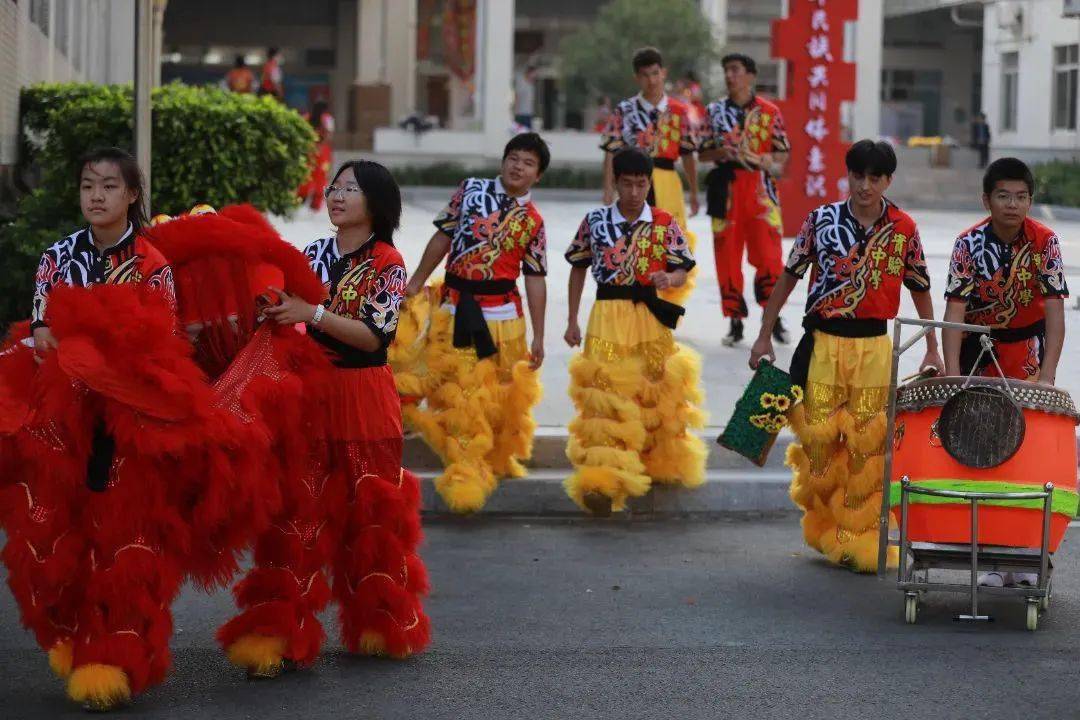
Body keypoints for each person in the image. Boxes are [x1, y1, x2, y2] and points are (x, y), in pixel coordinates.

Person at [0, 149, 259, 711]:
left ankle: (114, 654)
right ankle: (75, 637)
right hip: (64, 424)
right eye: (88, 185)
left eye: (109, 186)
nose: (96, 195)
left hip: (134, 426)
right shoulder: (58, 257)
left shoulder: (152, 264)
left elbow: (162, 351)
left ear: (133, 196)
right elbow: (42, 330)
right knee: (53, 540)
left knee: (125, 543)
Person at [219, 160, 431, 676]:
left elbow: (375, 336)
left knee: (370, 514)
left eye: (349, 189)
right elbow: (285, 310)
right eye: (334, 187)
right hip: (309, 395)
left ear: (375, 204)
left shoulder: (388, 261)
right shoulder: (311, 254)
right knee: (296, 512)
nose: (336, 195)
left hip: (363, 397)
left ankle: (377, 622)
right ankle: (278, 630)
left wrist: (309, 314)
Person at [750, 140, 944, 573]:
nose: (865, 185)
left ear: (888, 181)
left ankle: (861, 536)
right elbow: (788, 277)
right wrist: (764, 335)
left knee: (868, 448)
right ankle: (826, 528)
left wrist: (932, 345)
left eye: (875, 177)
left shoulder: (904, 229)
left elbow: (920, 286)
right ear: (848, 176)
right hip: (822, 343)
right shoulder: (820, 221)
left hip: (875, 347)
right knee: (819, 445)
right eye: (858, 175)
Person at [397, 133, 549, 514]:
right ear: (502, 161)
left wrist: (541, 334)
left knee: (494, 397)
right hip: (453, 307)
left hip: (502, 319)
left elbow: (535, 278)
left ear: (538, 175)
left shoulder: (533, 221)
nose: (518, 166)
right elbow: (443, 237)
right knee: (458, 392)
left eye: (528, 163)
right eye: (513, 158)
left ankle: (483, 463)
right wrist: (415, 281)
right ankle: (465, 471)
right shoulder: (470, 190)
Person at [564, 148, 706, 516]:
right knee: (604, 393)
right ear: (614, 182)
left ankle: (650, 465)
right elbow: (578, 266)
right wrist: (571, 319)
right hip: (606, 314)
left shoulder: (664, 222)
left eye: (641, 184)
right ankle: (603, 481)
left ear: (649, 184)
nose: (633, 192)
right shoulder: (595, 221)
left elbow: (683, 269)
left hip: (649, 315)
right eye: (626, 184)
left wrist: (669, 277)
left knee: (654, 388)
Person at [943, 158, 1066, 385]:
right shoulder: (967, 243)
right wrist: (952, 377)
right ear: (986, 200)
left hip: (1029, 352)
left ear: (1030, 202)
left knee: (1028, 420)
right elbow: (954, 310)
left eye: (1021, 197)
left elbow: (1056, 311)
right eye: (1003, 196)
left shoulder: (1046, 241)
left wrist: (1047, 378)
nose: (1012, 204)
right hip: (977, 352)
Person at [699, 53, 790, 347]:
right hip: (725, 189)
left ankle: (773, 317)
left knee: (770, 256)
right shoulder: (713, 111)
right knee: (727, 255)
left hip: (761, 191)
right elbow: (701, 152)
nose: (730, 76)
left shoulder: (769, 112)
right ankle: (735, 320)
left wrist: (769, 162)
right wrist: (720, 153)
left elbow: (781, 156)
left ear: (750, 75)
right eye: (726, 70)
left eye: (735, 70)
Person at [600, 47, 699, 305]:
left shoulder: (679, 110)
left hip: (668, 179)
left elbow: (688, 155)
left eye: (655, 73)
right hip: (633, 180)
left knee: (673, 236)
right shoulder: (625, 110)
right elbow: (611, 150)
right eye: (645, 75)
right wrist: (608, 187)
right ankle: (637, 294)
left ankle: (668, 300)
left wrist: (695, 192)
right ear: (637, 78)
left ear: (663, 73)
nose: (652, 80)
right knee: (635, 236)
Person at [297, 99, 336, 210]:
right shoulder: (327, 119)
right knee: (321, 177)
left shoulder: (305, 118)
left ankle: (301, 198)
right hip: (322, 153)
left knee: (306, 175)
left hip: (308, 152)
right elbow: (330, 136)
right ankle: (315, 204)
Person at [514, 65, 538, 129]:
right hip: (521, 114)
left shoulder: (532, 86)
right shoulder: (522, 84)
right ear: (529, 73)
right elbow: (517, 97)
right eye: (533, 74)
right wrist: (515, 112)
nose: (535, 76)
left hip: (529, 114)